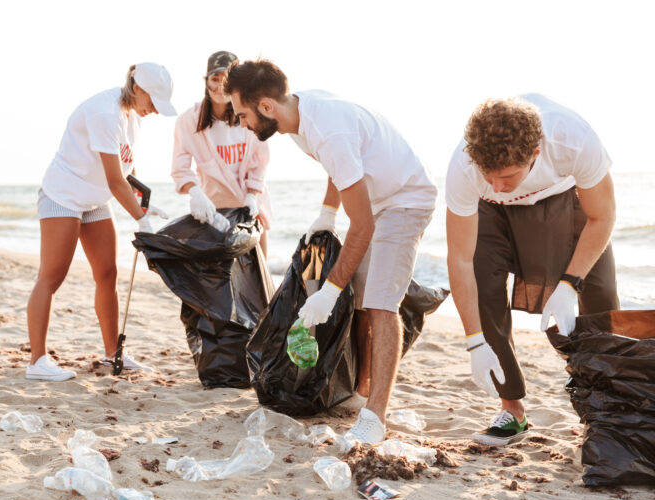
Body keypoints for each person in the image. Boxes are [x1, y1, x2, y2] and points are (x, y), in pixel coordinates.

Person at [225, 59, 438, 443]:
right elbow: (340, 169)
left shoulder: (327, 131)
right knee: (360, 298)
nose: (241, 123)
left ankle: (375, 417)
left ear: (267, 107)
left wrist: (328, 292)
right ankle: (362, 392)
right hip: (375, 199)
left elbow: (363, 226)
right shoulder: (298, 118)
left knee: (381, 304)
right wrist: (327, 213)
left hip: (405, 200)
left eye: (242, 114)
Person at [445, 94, 619, 445]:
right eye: (487, 175)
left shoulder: (571, 140)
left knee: (600, 294)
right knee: (483, 286)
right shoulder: (465, 169)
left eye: (506, 176)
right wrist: (474, 342)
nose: (496, 184)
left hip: (563, 198)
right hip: (492, 213)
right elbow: (459, 259)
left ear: (535, 155)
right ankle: (512, 410)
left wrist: (569, 285)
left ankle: (607, 409)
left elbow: (603, 216)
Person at [25, 63, 177, 381]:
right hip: (63, 196)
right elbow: (113, 180)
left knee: (107, 274)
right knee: (51, 277)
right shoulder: (104, 113)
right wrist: (140, 217)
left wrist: (146, 202)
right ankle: (37, 362)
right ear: (137, 88)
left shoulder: (131, 116)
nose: (155, 111)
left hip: (94, 201)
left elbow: (124, 173)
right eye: (153, 101)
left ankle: (112, 354)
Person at [172, 51, 271, 255]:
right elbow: (180, 168)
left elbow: (260, 163)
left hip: (251, 208)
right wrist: (195, 193)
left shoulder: (252, 115)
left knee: (259, 273)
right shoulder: (188, 121)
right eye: (214, 79)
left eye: (225, 79)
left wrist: (252, 197)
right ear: (206, 81)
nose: (219, 86)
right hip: (215, 214)